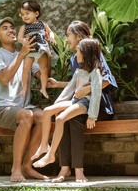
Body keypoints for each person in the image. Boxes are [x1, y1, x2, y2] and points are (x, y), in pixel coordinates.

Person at [46, 20, 117, 183]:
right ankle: (65, 168)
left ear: (78, 36)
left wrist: (87, 89)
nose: (66, 39)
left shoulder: (95, 54)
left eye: (68, 35)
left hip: (99, 106)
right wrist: (58, 84)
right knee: (62, 116)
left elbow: (107, 80)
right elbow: (77, 83)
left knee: (73, 118)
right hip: (82, 103)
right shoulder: (74, 59)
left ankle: (77, 170)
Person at [0, 17, 49, 182]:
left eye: (12, 27)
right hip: (1, 108)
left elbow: (44, 76)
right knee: (26, 115)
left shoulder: (27, 55)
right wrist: (22, 53)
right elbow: (5, 78)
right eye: (4, 28)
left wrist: (46, 48)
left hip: (23, 107)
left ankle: (27, 166)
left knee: (43, 116)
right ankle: (15, 169)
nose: (11, 30)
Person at [32, 38, 103, 170]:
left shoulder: (95, 72)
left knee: (60, 118)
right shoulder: (78, 72)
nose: (76, 55)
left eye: (78, 51)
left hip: (85, 103)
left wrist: (92, 116)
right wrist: (58, 104)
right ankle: (44, 146)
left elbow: (97, 94)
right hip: (75, 100)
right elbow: (69, 89)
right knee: (47, 111)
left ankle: (51, 155)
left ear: (86, 53)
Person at [18, 0, 56, 100]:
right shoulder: (24, 27)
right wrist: (23, 40)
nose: (25, 16)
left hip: (42, 50)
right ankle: (25, 87)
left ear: (36, 13)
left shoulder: (43, 24)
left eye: (27, 13)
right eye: (22, 14)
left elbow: (50, 32)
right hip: (30, 50)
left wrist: (52, 37)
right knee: (26, 69)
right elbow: (19, 38)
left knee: (44, 70)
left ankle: (43, 88)